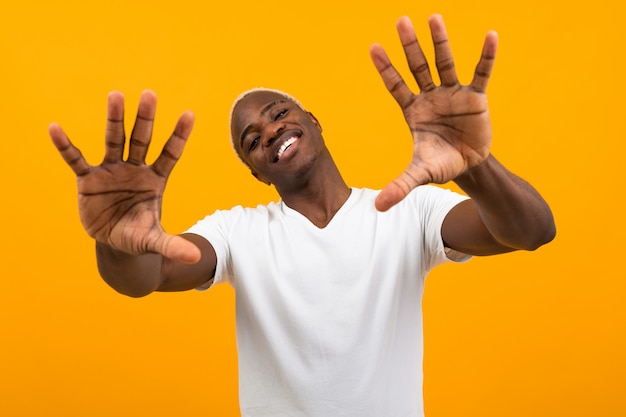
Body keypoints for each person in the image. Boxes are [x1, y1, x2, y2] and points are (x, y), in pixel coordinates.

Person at [49, 14, 555, 417]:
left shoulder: (408, 211)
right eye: (253, 140)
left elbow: (533, 231)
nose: (269, 132)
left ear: (312, 121)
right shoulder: (239, 232)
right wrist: (115, 239)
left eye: (278, 115)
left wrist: (473, 164)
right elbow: (146, 277)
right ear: (256, 171)